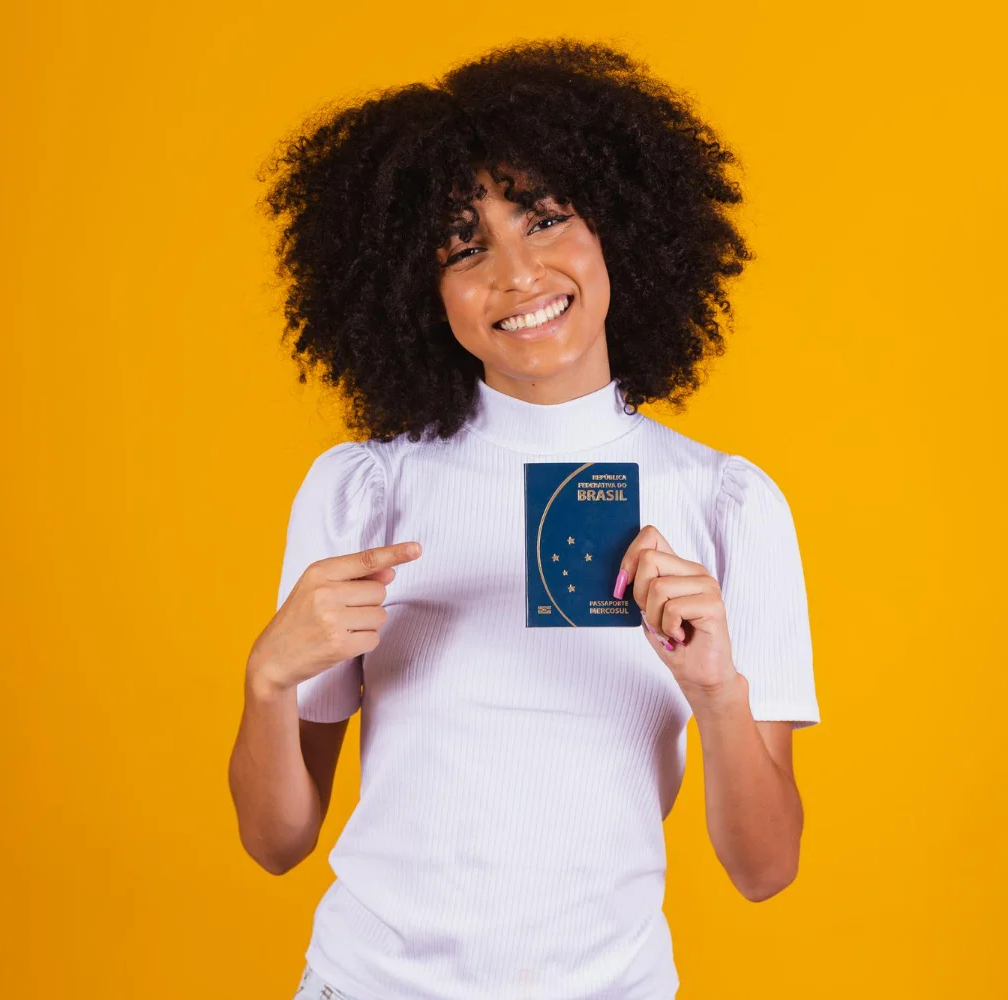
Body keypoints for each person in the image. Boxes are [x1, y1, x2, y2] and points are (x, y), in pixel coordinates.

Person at [229, 37, 822, 1000]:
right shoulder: (363, 493)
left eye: (546, 220)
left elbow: (766, 870)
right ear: (422, 294)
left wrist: (718, 691)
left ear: (617, 232)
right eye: (465, 247)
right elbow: (275, 843)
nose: (516, 273)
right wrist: (267, 678)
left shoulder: (727, 503)